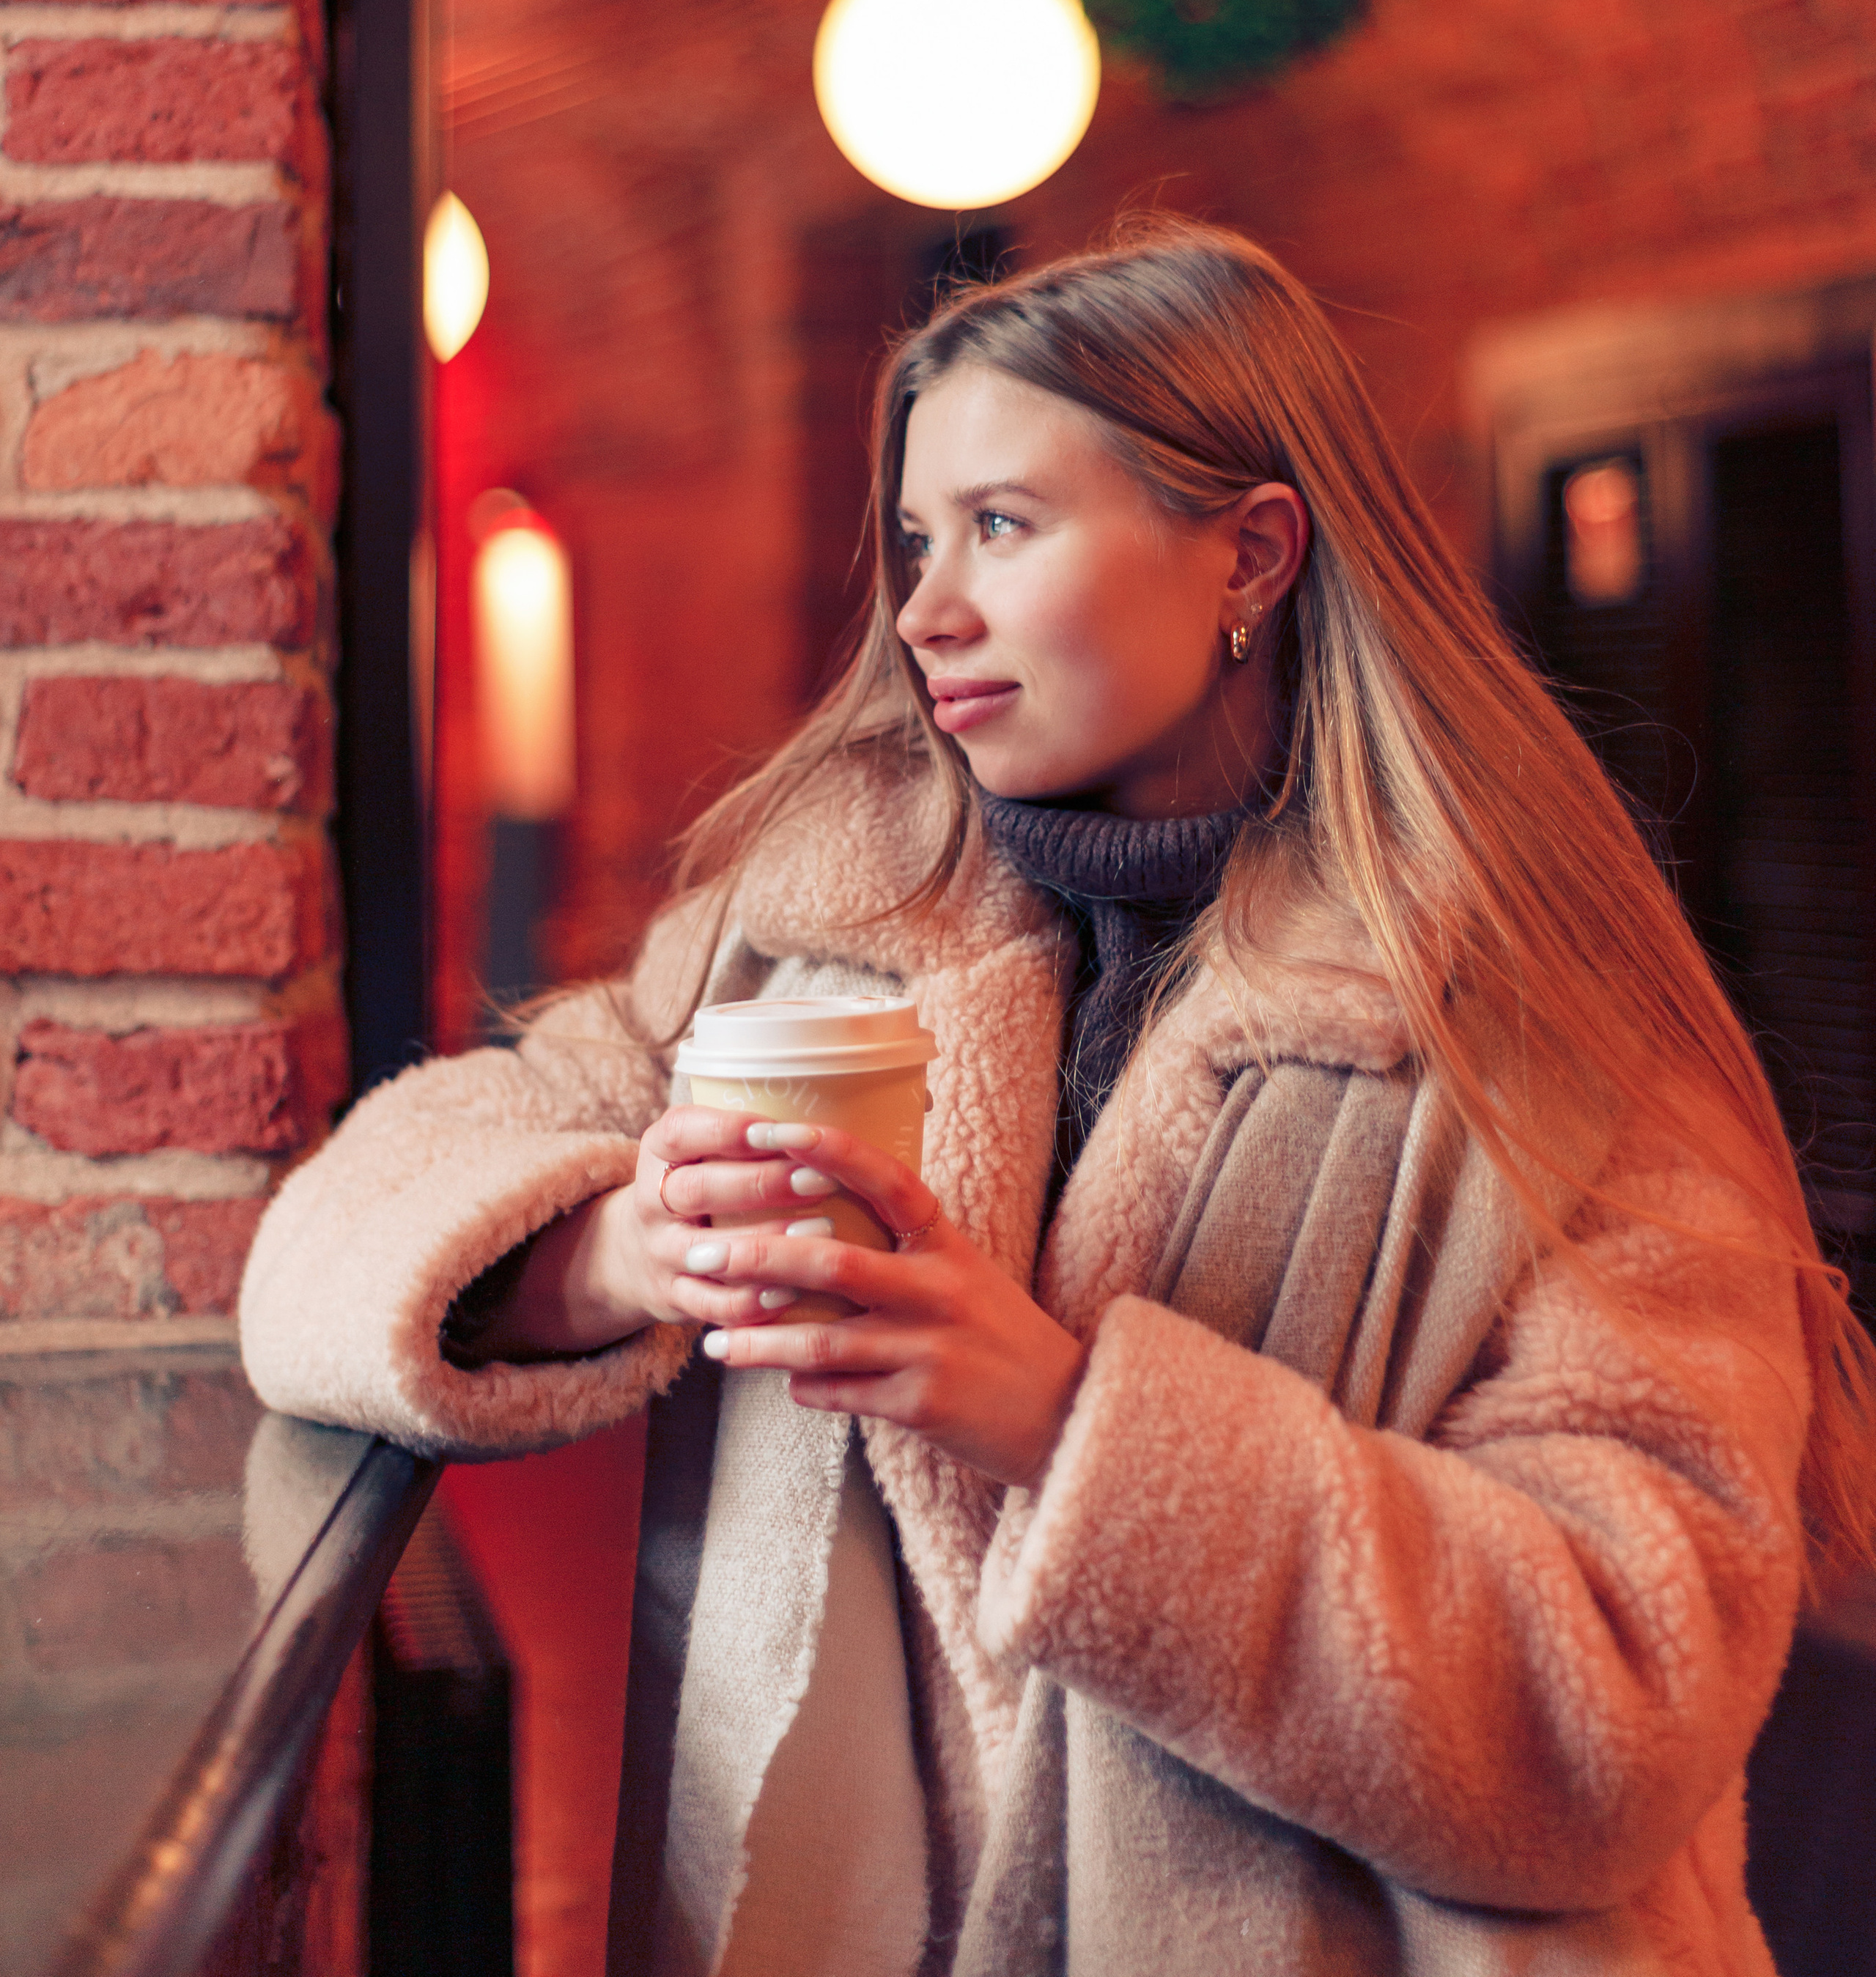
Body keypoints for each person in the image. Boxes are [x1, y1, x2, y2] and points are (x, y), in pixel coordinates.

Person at [240, 218, 1872, 1977]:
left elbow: (1621, 1696)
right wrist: (621, 1249)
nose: (926, 608)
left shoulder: (1527, 1023)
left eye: (1002, 528)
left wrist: (1066, 1425)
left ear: (1249, 554)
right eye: (916, 538)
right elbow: (333, 1242)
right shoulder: (810, 934)